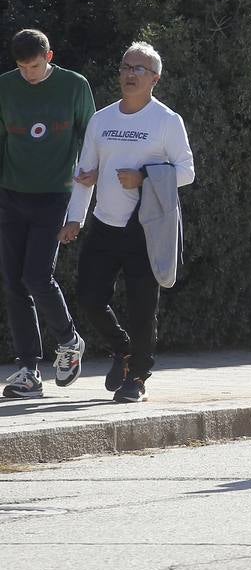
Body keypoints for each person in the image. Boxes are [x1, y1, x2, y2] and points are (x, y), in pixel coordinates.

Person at [65, 42, 195, 403]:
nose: (130, 73)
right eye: (125, 66)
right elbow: (85, 172)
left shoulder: (167, 121)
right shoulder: (102, 119)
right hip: (105, 223)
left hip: (146, 227)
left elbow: (187, 171)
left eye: (139, 69)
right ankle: (123, 350)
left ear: (155, 78)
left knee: (142, 307)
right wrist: (74, 218)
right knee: (90, 297)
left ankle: (136, 378)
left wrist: (144, 178)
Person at [0, 29, 95, 398]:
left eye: (35, 66)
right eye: (22, 67)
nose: (29, 73)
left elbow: (91, 137)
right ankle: (28, 370)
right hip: (10, 194)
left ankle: (69, 341)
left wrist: (88, 186)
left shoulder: (74, 86)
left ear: (49, 57)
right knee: (13, 282)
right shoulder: (5, 86)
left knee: (37, 276)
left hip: (55, 194)